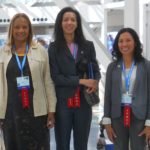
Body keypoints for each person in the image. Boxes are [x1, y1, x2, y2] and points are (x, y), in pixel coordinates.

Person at [0, 13, 57, 150]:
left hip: (37, 112)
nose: (21, 31)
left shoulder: (41, 51)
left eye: (24, 27)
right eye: (17, 27)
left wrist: (51, 110)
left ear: (29, 29)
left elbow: (48, 81)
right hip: (10, 113)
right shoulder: (3, 52)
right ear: (11, 30)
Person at [48, 7, 101, 150]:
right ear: (60, 23)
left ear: (77, 23)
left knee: (81, 145)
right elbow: (56, 78)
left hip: (84, 102)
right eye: (66, 19)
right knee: (62, 145)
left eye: (73, 19)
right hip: (63, 104)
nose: (69, 22)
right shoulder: (53, 48)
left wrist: (95, 82)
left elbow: (95, 70)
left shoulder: (87, 46)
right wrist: (82, 81)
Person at [102, 27, 150, 150]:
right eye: (121, 41)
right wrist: (107, 121)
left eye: (128, 40)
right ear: (117, 44)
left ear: (135, 42)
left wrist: (149, 123)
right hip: (117, 116)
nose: (124, 44)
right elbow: (108, 96)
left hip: (139, 116)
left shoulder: (146, 66)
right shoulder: (112, 67)